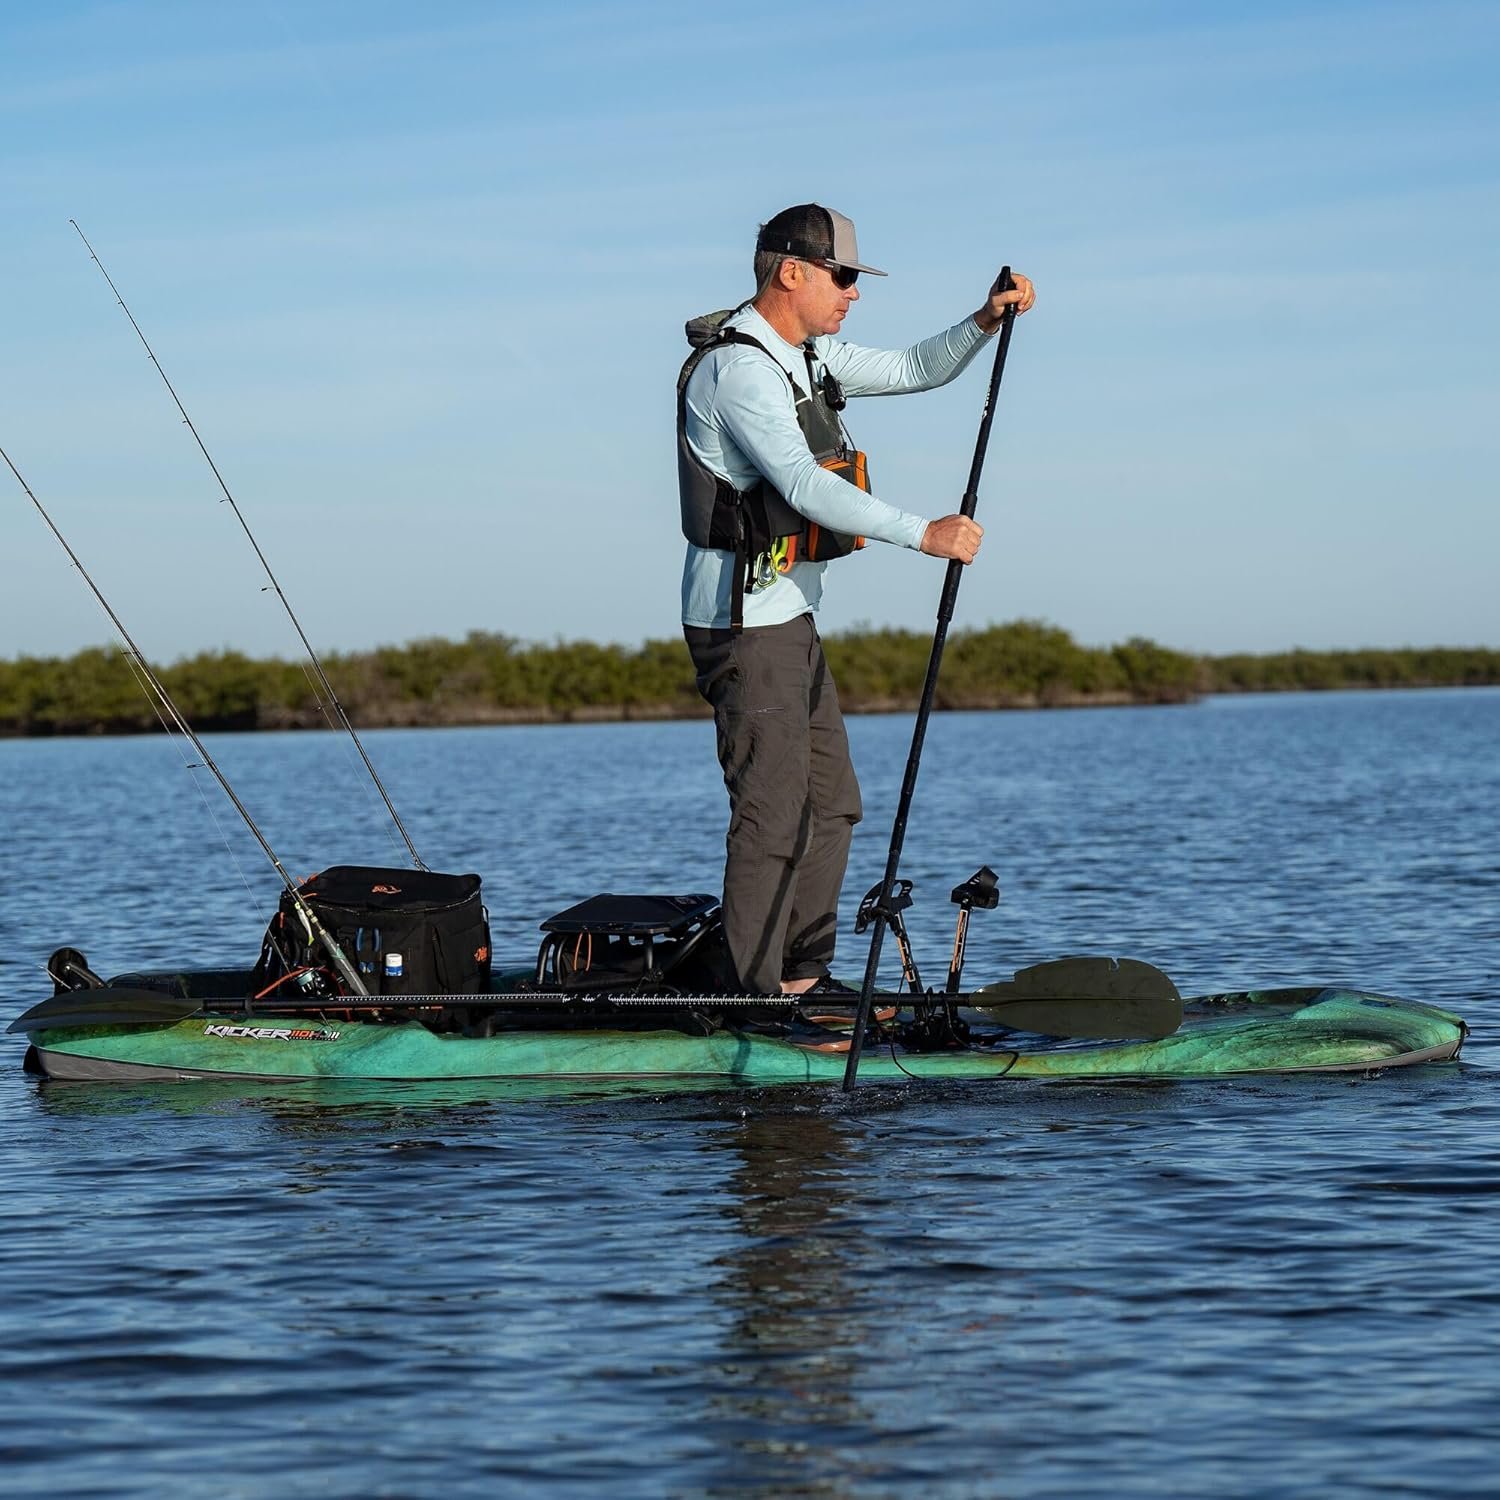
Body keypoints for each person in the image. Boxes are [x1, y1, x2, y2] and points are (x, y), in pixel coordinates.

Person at [677, 203, 1035, 998]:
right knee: (772, 813)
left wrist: (984, 320)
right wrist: (923, 534)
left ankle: (802, 979)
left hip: (789, 619)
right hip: (743, 627)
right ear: (791, 273)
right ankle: (749, 996)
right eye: (842, 276)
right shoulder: (739, 370)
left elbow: (915, 368)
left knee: (833, 804)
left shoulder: (809, 358)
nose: (854, 292)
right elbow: (804, 485)